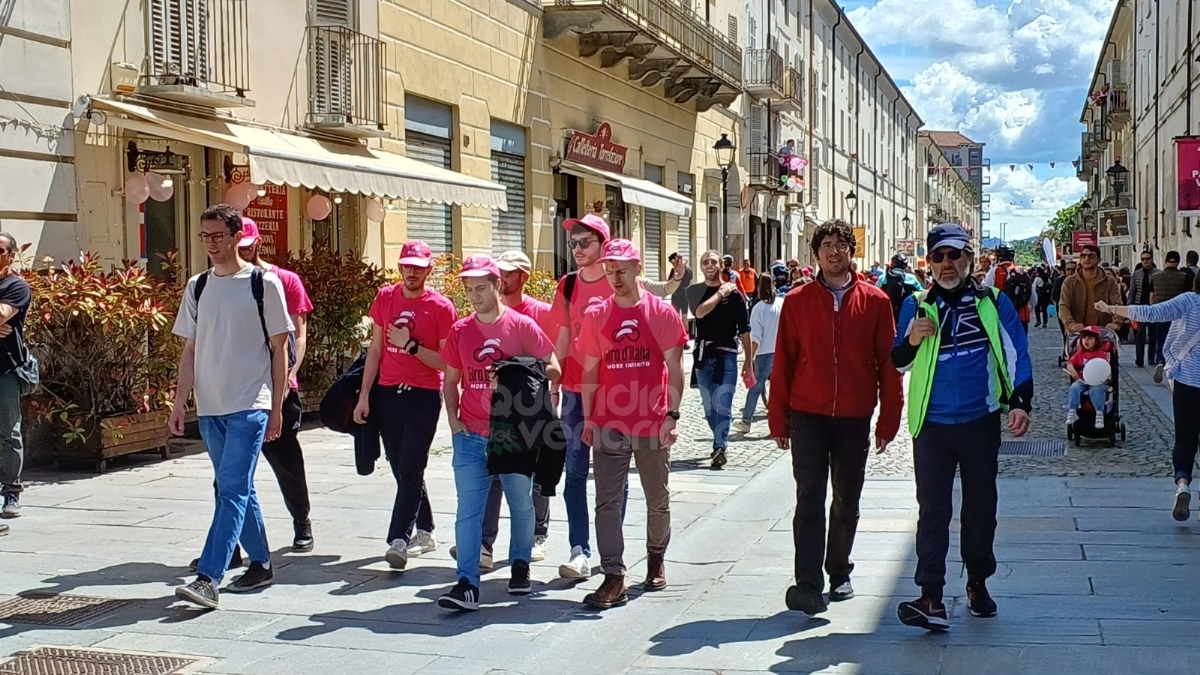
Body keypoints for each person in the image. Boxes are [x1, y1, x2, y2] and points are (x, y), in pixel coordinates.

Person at [893, 224, 1033, 631]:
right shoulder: (916, 305)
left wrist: (1020, 402)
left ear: (969, 258)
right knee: (932, 510)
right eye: (938, 257)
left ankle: (977, 583)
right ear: (929, 263)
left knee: (980, 509)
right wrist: (912, 340)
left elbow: (1017, 353)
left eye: (954, 255)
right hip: (931, 425)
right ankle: (930, 596)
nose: (946, 264)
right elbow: (896, 361)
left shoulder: (993, 302)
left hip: (979, 420)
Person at [768, 219, 902, 616]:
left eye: (840, 244)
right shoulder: (797, 300)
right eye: (825, 245)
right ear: (816, 254)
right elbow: (784, 362)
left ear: (851, 251)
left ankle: (839, 570)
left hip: (854, 415)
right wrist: (779, 419)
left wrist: (888, 419)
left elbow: (887, 364)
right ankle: (806, 582)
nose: (833, 251)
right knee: (808, 496)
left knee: (847, 499)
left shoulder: (876, 301)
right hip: (807, 413)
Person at [169, 204, 294, 609]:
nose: (211, 243)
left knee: (232, 488)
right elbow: (190, 348)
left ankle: (209, 577)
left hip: (250, 403)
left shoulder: (263, 284)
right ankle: (260, 563)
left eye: (218, 236)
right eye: (205, 236)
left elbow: (280, 351)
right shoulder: (197, 286)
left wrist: (276, 407)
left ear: (238, 235)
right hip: (210, 406)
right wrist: (178, 402)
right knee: (235, 487)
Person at [437, 254, 559, 611]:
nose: (474, 295)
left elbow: (554, 369)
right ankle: (466, 583)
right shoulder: (460, 331)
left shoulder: (521, 326)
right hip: (470, 434)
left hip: (513, 434)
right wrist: (454, 423)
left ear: (496, 286)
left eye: (480, 288)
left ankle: (519, 565)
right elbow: (450, 381)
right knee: (468, 511)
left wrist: (515, 368)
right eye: (468, 289)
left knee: (521, 504)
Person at [577, 239, 687, 609]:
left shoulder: (660, 313)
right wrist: (589, 418)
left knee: (657, 497)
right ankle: (614, 575)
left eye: (621, 270)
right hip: (609, 421)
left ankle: (656, 556)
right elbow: (590, 370)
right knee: (606, 500)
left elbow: (674, 368)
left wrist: (671, 415)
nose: (614, 277)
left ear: (638, 268)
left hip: (651, 419)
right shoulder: (597, 315)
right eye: (609, 271)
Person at [354, 240, 457, 570]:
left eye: (418, 267)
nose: (411, 272)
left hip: (423, 395)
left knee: (412, 467)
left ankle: (398, 538)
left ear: (429, 269)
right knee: (401, 468)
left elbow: (445, 362)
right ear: (400, 268)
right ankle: (426, 530)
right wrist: (364, 395)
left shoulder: (441, 307)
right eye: (406, 266)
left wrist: (410, 345)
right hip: (387, 393)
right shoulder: (386, 297)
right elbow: (375, 350)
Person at [237, 218, 315, 552]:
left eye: (246, 247)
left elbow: (298, 339)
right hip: (240, 390)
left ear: (257, 244)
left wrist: (284, 385)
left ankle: (302, 520)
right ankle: (232, 544)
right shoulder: (223, 283)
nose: (241, 252)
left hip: (280, 388)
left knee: (286, 462)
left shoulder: (285, 280)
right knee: (233, 472)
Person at [1095, 293, 1200, 522]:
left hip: (1189, 381)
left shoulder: (1190, 301)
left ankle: (1183, 484)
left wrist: (1112, 308)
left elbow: (1151, 313)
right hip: (1189, 379)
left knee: (1185, 438)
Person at [688, 250, 753, 469]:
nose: (709, 265)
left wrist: (749, 362)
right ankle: (719, 439)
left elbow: (744, 329)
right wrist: (719, 294)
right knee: (709, 407)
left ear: (720, 265)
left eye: (713, 262)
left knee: (723, 402)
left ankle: (719, 446)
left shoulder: (735, 295)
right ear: (701, 266)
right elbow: (699, 313)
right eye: (705, 261)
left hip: (727, 354)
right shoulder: (695, 291)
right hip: (703, 355)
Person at [0, 232, 30, 527]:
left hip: (5, 369)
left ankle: (12, 491)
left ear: (10, 254)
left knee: (9, 431)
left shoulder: (16, 286)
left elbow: (2, 315)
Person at [734, 274, 783, 435]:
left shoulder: (758, 308)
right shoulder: (782, 304)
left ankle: (746, 420)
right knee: (777, 390)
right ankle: (779, 423)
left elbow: (756, 338)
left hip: (763, 353)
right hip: (780, 352)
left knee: (755, 388)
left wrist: (749, 359)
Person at [1058, 244, 1123, 336]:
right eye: (1083, 256)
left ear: (1099, 260)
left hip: (1103, 332)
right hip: (1078, 332)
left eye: (1091, 256)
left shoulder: (1110, 281)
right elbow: (1063, 306)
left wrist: (1116, 323)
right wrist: (1071, 324)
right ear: (1080, 259)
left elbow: (1117, 304)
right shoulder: (1069, 282)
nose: (1086, 259)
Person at [1151, 251, 1192, 383]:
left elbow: (1151, 296)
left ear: (1165, 261)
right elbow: (1188, 296)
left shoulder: (1156, 276)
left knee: (1161, 338)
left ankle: (1159, 360)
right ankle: (1172, 364)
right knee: (1176, 340)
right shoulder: (1184, 276)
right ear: (1178, 262)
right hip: (1177, 314)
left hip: (1160, 312)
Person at [1065, 326, 1109, 430]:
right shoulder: (1080, 354)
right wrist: (1073, 372)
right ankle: (1072, 411)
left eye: (1090, 338)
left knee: (1098, 390)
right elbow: (1069, 364)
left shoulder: (1100, 354)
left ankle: (1099, 413)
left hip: (1096, 381)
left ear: (1096, 341)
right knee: (1074, 388)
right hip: (1082, 380)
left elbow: (1105, 367)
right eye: (1084, 338)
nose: (1086, 341)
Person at [880, 254, 922, 326]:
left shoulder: (883, 277)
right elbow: (922, 293)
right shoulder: (911, 278)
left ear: (892, 264)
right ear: (905, 265)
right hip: (907, 312)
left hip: (887, 312)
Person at [1130, 251, 1155, 367]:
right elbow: (1132, 291)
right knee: (1140, 333)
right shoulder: (1136, 274)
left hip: (1153, 308)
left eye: (1147, 259)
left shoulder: (1157, 274)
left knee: (1153, 333)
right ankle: (1139, 358)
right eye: (1143, 259)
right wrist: (1130, 307)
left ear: (1151, 259)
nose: (1145, 261)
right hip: (1140, 307)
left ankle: (1151, 358)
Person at [667, 252, 694, 341]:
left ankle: (678, 337)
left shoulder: (675, 270)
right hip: (685, 294)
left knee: (676, 316)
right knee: (685, 316)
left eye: (672, 262)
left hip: (676, 294)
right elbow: (690, 282)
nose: (672, 264)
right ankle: (685, 336)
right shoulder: (689, 269)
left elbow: (670, 282)